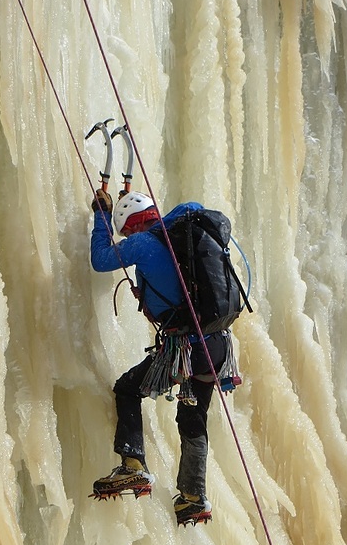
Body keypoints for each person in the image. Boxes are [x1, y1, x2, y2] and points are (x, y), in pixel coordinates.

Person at [89, 188, 237, 526]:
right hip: (217, 345)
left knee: (127, 388)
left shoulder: (143, 244)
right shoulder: (183, 239)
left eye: (125, 232)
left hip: (185, 347)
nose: (126, 238)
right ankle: (193, 497)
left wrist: (100, 214)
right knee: (192, 417)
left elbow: (101, 259)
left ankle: (132, 465)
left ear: (132, 226)